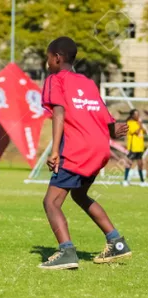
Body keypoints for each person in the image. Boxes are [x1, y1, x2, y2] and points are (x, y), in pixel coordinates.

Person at [39, 36, 132, 270]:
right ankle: (117, 242)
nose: (47, 62)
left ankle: (67, 252)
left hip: (77, 149)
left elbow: (58, 114)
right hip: (99, 148)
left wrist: (55, 151)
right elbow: (102, 115)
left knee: (51, 202)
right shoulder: (88, 83)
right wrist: (114, 128)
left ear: (57, 58)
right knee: (80, 195)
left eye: (48, 58)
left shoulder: (55, 79)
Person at [122, 109, 147, 187]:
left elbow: (144, 132)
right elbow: (135, 132)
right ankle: (125, 180)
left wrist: (141, 125)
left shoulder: (138, 123)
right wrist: (140, 124)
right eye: (136, 114)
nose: (138, 115)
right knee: (129, 163)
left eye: (138, 114)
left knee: (140, 164)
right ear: (132, 115)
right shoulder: (130, 123)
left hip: (140, 148)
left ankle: (142, 181)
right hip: (133, 148)